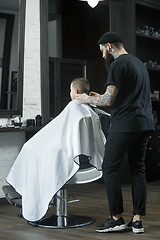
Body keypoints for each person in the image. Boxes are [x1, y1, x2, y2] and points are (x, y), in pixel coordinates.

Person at [75, 32, 155, 234]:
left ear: (109, 46)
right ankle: (137, 220)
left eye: (102, 50)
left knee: (109, 168)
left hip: (125, 125)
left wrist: (87, 99)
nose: (102, 56)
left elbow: (109, 101)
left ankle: (116, 217)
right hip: (144, 124)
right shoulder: (138, 64)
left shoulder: (117, 65)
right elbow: (125, 96)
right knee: (138, 169)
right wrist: (99, 96)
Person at [7, 77, 106, 222]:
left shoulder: (74, 106)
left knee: (30, 149)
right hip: (85, 160)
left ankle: (30, 194)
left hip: (74, 159)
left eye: (70, 90)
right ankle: (31, 194)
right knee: (37, 151)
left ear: (76, 91)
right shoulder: (90, 110)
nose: (70, 93)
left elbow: (61, 135)